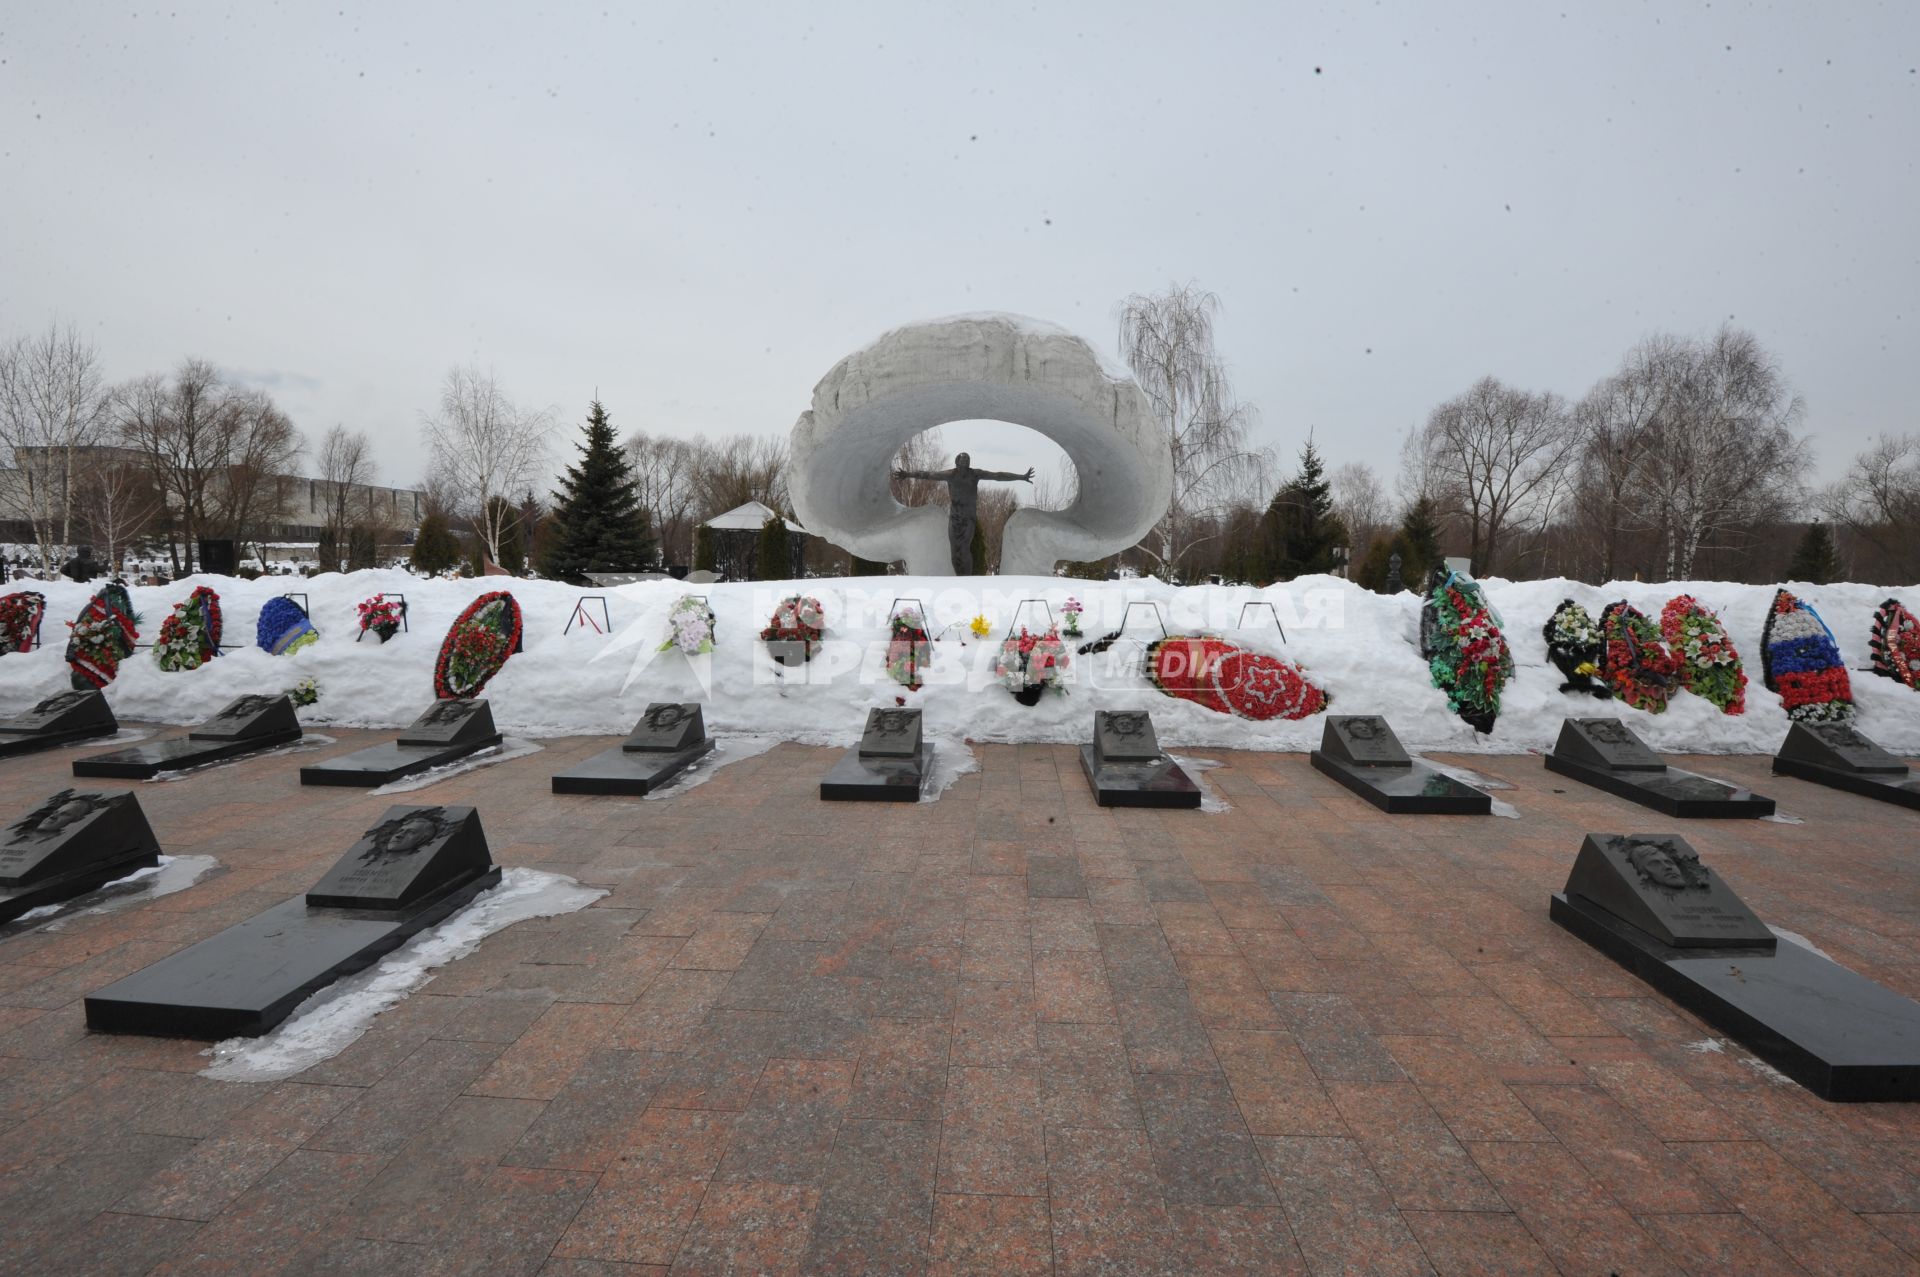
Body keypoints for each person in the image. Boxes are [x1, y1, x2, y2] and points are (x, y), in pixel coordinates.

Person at [890, 451, 1034, 575]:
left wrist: (1021, 476)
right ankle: (960, 577)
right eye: (963, 458)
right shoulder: (950, 474)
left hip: (968, 517)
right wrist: (907, 474)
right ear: (957, 461)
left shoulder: (974, 474)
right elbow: (927, 474)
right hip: (955, 517)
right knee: (955, 552)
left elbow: (998, 475)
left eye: (967, 458)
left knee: (964, 548)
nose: (965, 460)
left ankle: (967, 578)